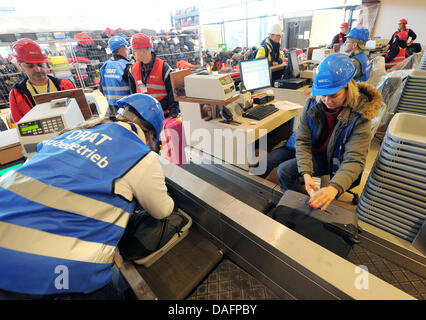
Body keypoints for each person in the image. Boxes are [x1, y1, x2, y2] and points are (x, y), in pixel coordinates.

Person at [0, 94, 174, 299]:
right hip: (48, 269)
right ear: (151, 134)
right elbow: (162, 210)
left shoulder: (72, 133)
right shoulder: (141, 155)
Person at [252, 53, 382, 211]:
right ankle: (250, 195)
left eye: (334, 95)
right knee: (264, 164)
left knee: (285, 171)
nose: (327, 101)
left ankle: (298, 208)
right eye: (323, 95)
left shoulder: (360, 116)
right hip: (298, 146)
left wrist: (334, 187)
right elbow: (302, 140)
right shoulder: (313, 102)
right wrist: (306, 173)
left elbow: (354, 160)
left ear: (349, 88)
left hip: (324, 156)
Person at [9, 38, 75, 123]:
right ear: (20, 66)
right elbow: (20, 125)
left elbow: (78, 111)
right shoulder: (16, 94)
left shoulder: (65, 85)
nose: (38, 70)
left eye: (40, 65)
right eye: (30, 66)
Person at [130, 33, 179, 118]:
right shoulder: (132, 69)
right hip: (145, 115)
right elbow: (133, 93)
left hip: (164, 115)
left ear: (144, 51)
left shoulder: (163, 67)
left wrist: (173, 112)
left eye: (134, 51)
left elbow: (173, 92)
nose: (132, 54)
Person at [100, 36, 136, 116]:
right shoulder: (126, 66)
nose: (127, 50)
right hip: (126, 109)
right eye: (126, 47)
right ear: (120, 49)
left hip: (111, 108)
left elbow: (101, 88)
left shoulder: (105, 65)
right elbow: (134, 90)